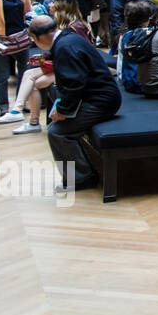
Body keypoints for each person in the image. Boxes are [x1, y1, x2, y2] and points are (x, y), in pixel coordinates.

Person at [30, 12, 121, 192]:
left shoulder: (64, 47)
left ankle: (82, 179)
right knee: (56, 105)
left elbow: (74, 83)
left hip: (101, 101)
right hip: (97, 96)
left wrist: (63, 109)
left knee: (57, 132)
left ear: (40, 37)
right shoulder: (67, 37)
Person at [0, 0, 93, 133]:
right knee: (29, 74)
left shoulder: (75, 27)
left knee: (35, 81)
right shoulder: (62, 24)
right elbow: (57, 52)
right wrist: (42, 58)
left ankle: (24, 116)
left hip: (76, 70)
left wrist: (46, 60)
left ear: (61, 6)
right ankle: (23, 115)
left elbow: (80, 54)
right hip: (64, 66)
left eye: (53, 2)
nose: (50, 4)